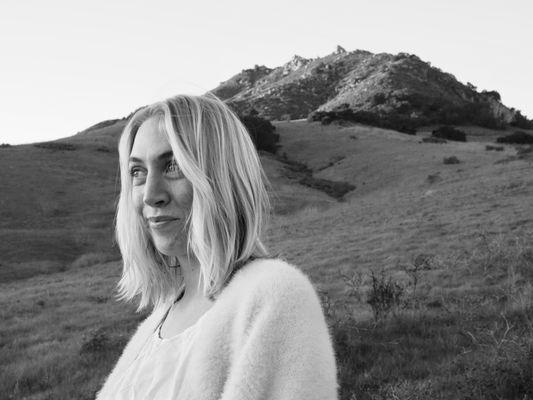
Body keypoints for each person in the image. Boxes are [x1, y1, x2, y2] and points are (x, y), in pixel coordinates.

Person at [96, 94, 339, 399]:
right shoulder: (158, 319)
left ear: (222, 177)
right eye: (137, 172)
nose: (150, 195)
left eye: (173, 165)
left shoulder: (273, 296)